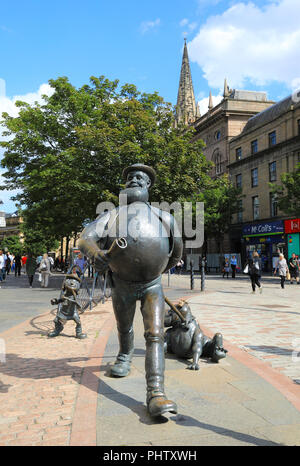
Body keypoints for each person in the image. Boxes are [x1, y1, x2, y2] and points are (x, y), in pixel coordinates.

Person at [79, 163, 183, 417]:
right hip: (122, 283)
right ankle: (124, 355)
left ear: (148, 186)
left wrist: (154, 269)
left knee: (155, 334)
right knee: (124, 326)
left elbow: (176, 251)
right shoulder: (112, 214)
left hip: (151, 285)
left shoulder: (164, 217)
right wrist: (97, 254)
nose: (134, 180)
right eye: (130, 178)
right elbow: (85, 238)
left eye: (140, 178)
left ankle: (156, 393)